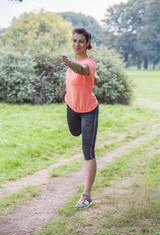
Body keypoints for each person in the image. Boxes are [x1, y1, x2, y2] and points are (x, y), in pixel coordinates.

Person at [61, 27, 100, 208]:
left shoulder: (88, 63)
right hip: (71, 106)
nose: (77, 44)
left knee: (88, 151)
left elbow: (84, 70)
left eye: (81, 41)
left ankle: (86, 195)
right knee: (74, 133)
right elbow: (90, 75)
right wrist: (95, 78)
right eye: (74, 40)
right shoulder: (76, 60)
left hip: (88, 111)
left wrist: (70, 63)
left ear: (87, 44)